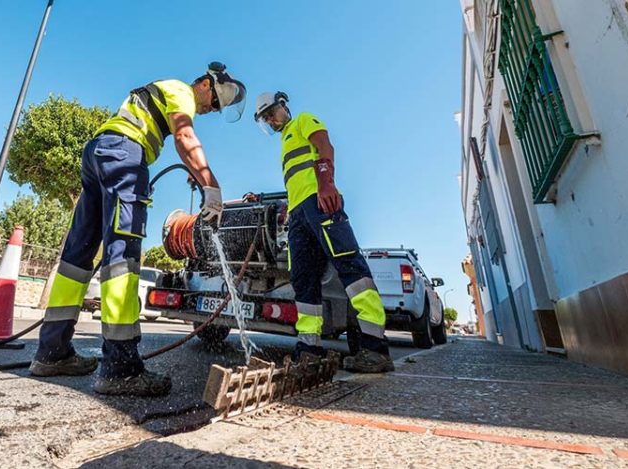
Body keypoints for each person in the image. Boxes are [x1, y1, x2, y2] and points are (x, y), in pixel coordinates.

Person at [29, 63, 247, 396]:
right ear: (204, 84)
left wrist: (193, 170)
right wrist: (211, 184)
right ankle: (120, 368)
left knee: (78, 256)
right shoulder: (182, 92)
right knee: (122, 259)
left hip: (99, 152)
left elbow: (176, 138)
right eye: (215, 101)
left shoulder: (160, 92)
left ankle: (51, 352)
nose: (211, 109)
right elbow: (185, 136)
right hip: (125, 156)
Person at [253, 91, 394, 373]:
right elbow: (296, 180)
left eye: (271, 112)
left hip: (320, 203)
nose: (270, 120)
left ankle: (375, 348)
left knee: (350, 268)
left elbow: (324, 146)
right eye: (265, 118)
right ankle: (309, 349)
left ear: (283, 105)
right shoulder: (284, 141)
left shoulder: (304, 120)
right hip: (298, 216)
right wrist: (290, 210)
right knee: (303, 279)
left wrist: (326, 183)